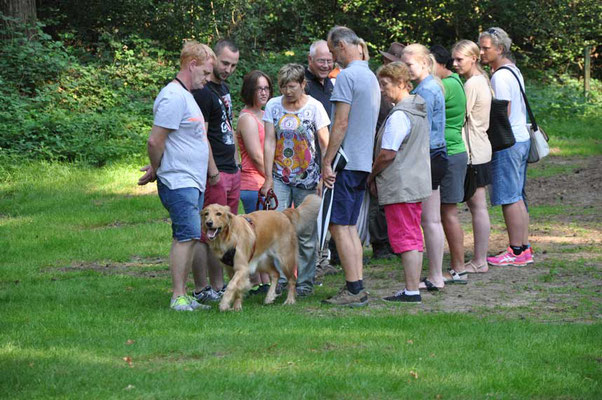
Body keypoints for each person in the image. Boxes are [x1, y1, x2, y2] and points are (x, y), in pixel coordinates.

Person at [137, 41, 217, 311]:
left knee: (191, 235)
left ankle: (184, 295)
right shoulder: (173, 96)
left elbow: (173, 142)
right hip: (178, 180)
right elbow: (154, 141)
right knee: (186, 235)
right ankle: (178, 296)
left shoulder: (187, 96)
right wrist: (157, 169)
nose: (208, 80)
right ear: (191, 64)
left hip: (190, 180)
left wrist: (156, 166)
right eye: (205, 73)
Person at [322, 26, 380, 306]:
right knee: (349, 226)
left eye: (333, 52)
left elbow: (341, 123)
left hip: (346, 162)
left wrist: (327, 160)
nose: (333, 59)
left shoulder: (347, 77)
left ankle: (354, 289)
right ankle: (357, 285)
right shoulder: (370, 76)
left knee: (339, 225)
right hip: (363, 161)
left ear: (343, 46)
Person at [260, 63, 330, 297]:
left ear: (302, 84)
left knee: (305, 233)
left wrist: (324, 173)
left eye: (292, 86)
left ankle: (305, 283)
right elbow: (270, 141)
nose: (287, 92)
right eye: (283, 87)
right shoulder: (273, 106)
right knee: (275, 228)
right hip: (280, 175)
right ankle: (278, 281)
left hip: (308, 177)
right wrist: (268, 177)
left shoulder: (315, 107)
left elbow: (324, 142)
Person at [368, 61, 431, 303]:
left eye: (385, 85)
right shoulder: (416, 110)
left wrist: (371, 176)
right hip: (413, 182)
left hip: (401, 184)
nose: (382, 90)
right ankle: (411, 288)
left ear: (401, 83)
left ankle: (411, 290)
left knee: (406, 237)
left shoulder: (400, 115)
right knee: (412, 234)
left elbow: (388, 153)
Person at [191, 39, 241, 303]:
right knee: (206, 232)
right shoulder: (202, 91)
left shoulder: (224, 88)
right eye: (224, 63)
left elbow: (227, 126)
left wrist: (236, 162)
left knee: (225, 230)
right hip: (215, 171)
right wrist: (213, 172)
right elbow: (202, 134)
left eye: (233, 64)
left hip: (231, 168)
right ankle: (205, 288)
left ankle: (221, 285)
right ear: (213, 59)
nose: (228, 69)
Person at [479, 27, 533, 267]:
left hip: (508, 143)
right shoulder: (514, 71)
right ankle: (523, 248)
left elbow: (503, 112)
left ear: (500, 49)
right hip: (522, 139)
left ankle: (515, 251)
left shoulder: (499, 76)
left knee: (509, 197)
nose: (481, 52)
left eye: (485, 48)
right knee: (517, 196)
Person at [401, 44, 447, 287]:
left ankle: (436, 275)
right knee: (432, 219)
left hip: (429, 157)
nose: (405, 69)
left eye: (409, 64)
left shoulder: (427, 91)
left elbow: (422, 131)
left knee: (430, 220)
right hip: (435, 155)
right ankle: (435, 274)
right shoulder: (429, 86)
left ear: (424, 64)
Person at [448, 39, 493, 275]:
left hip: (474, 152)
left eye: (459, 59)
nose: (455, 64)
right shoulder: (479, 80)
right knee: (477, 206)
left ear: (473, 59)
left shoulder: (472, 84)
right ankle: (479, 259)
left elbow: (459, 115)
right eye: (453, 59)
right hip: (480, 148)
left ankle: (479, 260)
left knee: (477, 206)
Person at [428, 44, 468, 287]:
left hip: (450, 153)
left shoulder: (448, 85)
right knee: (444, 213)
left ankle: (459, 269)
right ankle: (455, 267)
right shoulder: (452, 82)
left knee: (448, 213)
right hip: (451, 152)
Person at [367, 42, 407, 261]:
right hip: (380, 145)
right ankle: (380, 243)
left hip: (394, 146)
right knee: (378, 197)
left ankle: (393, 241)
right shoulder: (378, 86)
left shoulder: (399, 91)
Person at [303, 39, 339, 278]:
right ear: (310, 61)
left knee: (326, 209)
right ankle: (311, 263)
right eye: (321, 61)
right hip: (308, 160)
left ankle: (323, 258)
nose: (326, 65)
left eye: (329, 60)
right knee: (311, 212)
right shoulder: (303, 85)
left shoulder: (331, 85)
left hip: (329, 157)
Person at [236, 70, 273, 293]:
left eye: (267, 88)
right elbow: (258, 156)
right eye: (259, 88)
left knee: (265, 235)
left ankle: (264, 281)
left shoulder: (264, 114)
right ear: (249, 90)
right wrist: (271, 178)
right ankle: (262, 282)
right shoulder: (247, 118)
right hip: (253, 184)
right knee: (259, 236)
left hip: (265, 181)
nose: (263, 92)